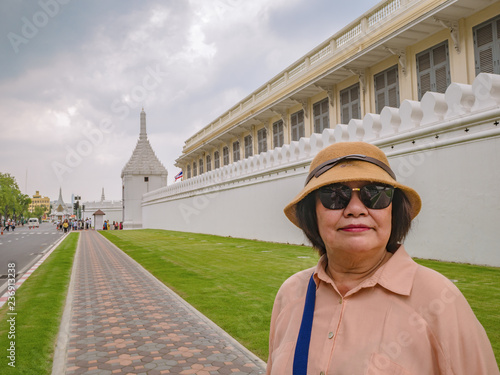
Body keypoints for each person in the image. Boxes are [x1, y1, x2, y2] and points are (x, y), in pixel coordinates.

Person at [267, 142, 499, 375]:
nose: (355, 209)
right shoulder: (291, 294)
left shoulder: (440, 301)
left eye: (375, 194)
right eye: (335, 195)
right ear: (312, 213)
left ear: (394, 210)